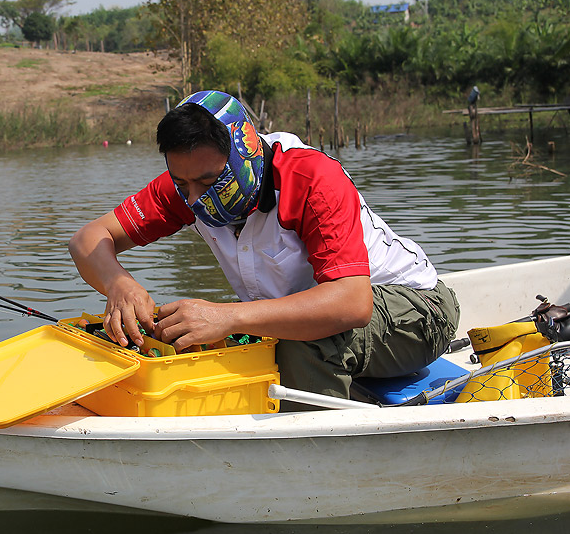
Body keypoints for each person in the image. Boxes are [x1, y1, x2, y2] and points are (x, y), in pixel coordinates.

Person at [69, 90, 459, 405]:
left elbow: (352, 304)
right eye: (183, 183)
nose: (195, 198)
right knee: (186, 329)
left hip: (417, 311)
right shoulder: (186, 186)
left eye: (208, 181)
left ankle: (313, 461)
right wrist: (119, 285)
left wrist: (230, 317)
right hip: (325, 310)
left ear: (244, 154)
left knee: (304, 340)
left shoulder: (311, 179)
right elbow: (87, 240)